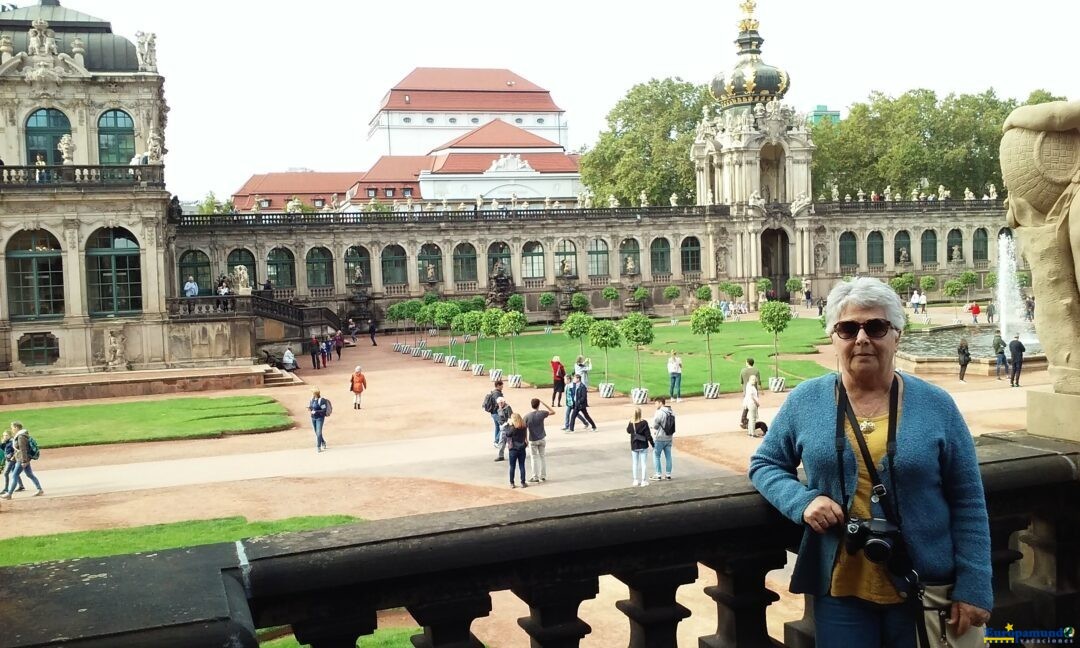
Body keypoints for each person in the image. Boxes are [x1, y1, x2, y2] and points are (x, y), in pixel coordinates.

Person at [749, 277, 991, 647]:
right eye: (847, 328)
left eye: (875, 327)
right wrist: (802, 501)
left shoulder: (936, 404)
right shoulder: (806, 400)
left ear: (897, 335)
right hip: (841, 590)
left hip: (921, 587)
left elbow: (968, 500)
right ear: (834, 337)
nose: (861, 338)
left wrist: (974, 586)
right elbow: (765, 463)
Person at [1, 422, 43, 499]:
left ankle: (9, 494)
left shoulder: (21, 437)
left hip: (22, 459)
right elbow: (18, 450)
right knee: (29, 474)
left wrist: (24, 461)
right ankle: (40, 489)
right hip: (22, 458)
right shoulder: (21, 435)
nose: (12, 429)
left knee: (14, 475)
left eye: (12, 427)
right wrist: (14, 457)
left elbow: (23, 450)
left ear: (16, 427)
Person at [524, 398, 554, 483]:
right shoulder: (542, 413)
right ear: (538, 405)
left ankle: (535, 476)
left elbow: (524, 429)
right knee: (542, 457)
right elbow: (553, 411)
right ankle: (543, 475)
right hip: (542, 438)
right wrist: (544, 403)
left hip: (532, 439)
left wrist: (525, 439)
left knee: (534, 458)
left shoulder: (527, 416)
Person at [627, 407, 654, 487]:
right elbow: (648, 435)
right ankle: (643, 481)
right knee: (643, 464)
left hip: (634, 445)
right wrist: (652, 444)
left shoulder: (631, 422)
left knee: (635, 463)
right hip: (643, 445)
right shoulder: (644, 423)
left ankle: (635, 480)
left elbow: (628, 431)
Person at [650, 397, 675, 480]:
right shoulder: (671, 411)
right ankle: (668, 474)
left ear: (661, 403)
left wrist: (654, 428)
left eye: (656, 403)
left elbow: (655, 425)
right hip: (669, 437)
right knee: (668, 456)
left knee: (656, 455)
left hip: (660, 437)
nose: (655, 405)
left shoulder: (659, 412)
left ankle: (658, 474)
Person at [503, 412, 529, 488]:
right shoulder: (523, 426)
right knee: (522, 465)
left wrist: (507, 425)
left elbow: (507, 434)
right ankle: (523, 482)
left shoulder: (513, 428)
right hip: (521, 448)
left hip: (513, 449)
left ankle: (512, 483)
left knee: (512, 466)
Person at [739, 358, 762, 430]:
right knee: (754, 406)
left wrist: (743, 389)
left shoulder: (743, 370)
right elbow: (759, 382)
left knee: (746, 407)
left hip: (746, 391)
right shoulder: (756, 370)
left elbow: (741, 382)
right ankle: (751, 422)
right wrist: (762, 390)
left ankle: (744, 420)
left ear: (748, 363)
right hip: (753, 391)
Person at [482, 380, 506, 448]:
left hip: (493, 413)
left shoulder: (493, 392)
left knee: (497, 427)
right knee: (503, 426)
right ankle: (496, 441)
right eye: (501, 385)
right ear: (498, 385)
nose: (502, 386)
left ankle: (496, 441)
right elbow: (499, 403)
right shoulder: (497, 394)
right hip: (496, 413)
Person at [2, 430, 24, 495]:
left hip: (12, 460)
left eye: (6, 435)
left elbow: (16, 450)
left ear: (10, 436)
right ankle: (21, 485)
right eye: (4, 435)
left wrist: (11, 455)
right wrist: (3, 443)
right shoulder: (6, 442)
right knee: (15, 472)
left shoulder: (12, 442)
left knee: (6, 473)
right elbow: (4, 449)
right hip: (9, 459)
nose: (4, 437)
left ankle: (6, 489)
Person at [493, 396, 514, 461]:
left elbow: (511, 417)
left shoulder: (508, 408)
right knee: (501, 442)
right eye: (499, 403)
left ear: (504, 402)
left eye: (501, 403)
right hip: (503, 427)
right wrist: (501, 424)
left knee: (510, 442)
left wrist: (507, 423)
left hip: (509, 427)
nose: (500, 404)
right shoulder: (499, 410)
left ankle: (512, 455)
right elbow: (500, 419)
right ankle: (501, 456)